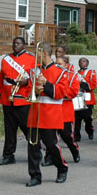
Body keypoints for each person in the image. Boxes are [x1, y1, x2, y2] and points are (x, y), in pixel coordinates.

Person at [26, 43, 69, 186]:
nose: (34, 56)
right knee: (32, 145)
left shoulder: (61, 71)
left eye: (36, 53)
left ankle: (62, 168)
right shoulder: (34, 71)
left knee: (51, 145)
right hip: (35, 112)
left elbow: (61, 93)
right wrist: (36, 91)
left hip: (51, 113)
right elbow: (28, 93)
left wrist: (47, 84)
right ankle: (35, 176)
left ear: (44, 54)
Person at [0, 37, 36, 165]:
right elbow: (1, 80)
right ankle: (8, 155)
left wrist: (27, 82)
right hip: (8, 100)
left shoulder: (32, 59)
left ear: (24, 45)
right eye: (13, 43)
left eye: (18, 43)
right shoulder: (6, 59)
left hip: (23, 100)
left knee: (28, 129)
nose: (15, 45)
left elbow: (36, 78)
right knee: (9, 130)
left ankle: (35, 153)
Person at [55, 54, 80, 163]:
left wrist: (60, 93)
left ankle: (74, 150)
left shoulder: (72, 76)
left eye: (59, 64)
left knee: (66, 136)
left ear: (66, 64)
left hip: (65, 109)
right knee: (52, 137)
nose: (57, 66)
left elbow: (74, 91)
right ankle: (50, 157)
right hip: (54, 108)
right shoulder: (53, 74)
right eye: (56, 64)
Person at [74, 57, 96, 142]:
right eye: (80, 62)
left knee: (87, 118)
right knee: (77, 119)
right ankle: (77, 136)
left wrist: (81, 82)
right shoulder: (76, 73)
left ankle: (90, 131)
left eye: (83, 61)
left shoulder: (91, 72)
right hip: (78, 98)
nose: (81, 63)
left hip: (88, 99)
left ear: (87, 63)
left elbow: (92, 86)